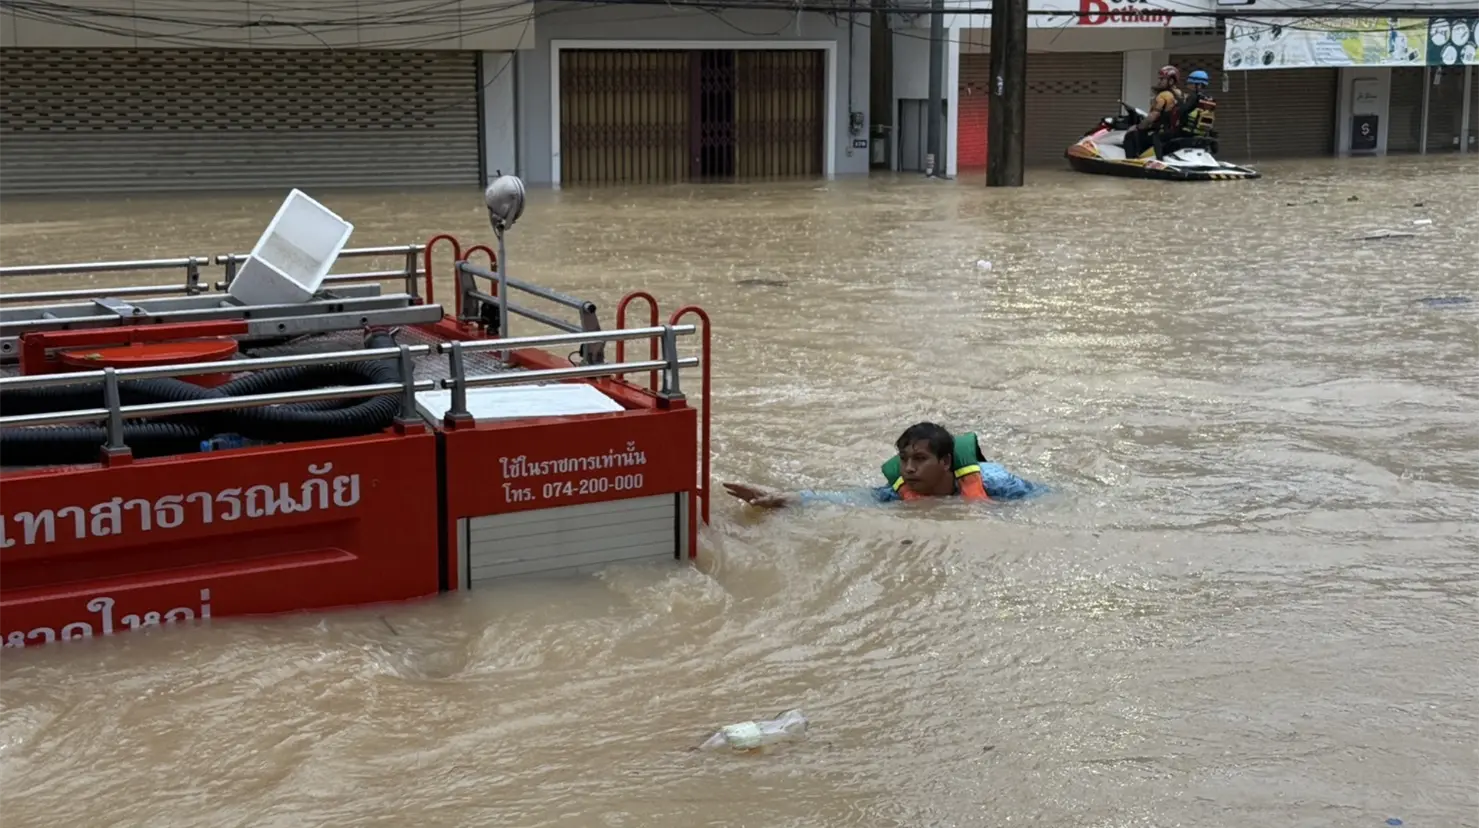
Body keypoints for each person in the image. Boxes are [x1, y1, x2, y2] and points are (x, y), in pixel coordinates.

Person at [722, 422, 1042, 509]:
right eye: (904, 460)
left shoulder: (997, 483)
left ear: (945, 462)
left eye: (919, 459)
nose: (908, 469)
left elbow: (1049, 501)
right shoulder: (897, 494)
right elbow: (847, 501)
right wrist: (785, 499)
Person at [1123, 65, 1184, 159]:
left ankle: (1131, 161)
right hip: (1174, 131)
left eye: (1162, 79)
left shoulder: (1164, 96)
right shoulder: (1180, 95)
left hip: (1162, 131)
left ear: (1171, 81)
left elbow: (1154, 115)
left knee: (1131, 135)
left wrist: (1139, 127)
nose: (1159, 82)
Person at [1175, 69, 1219, 153]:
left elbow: (1182, 111)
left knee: (1160, 137)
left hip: (1187, 133)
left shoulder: (1194, 97)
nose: (1189, 85)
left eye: (1191, 83)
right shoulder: (1209, 98)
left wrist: (1178, 104)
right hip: (1202, 134)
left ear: (1198, 85)